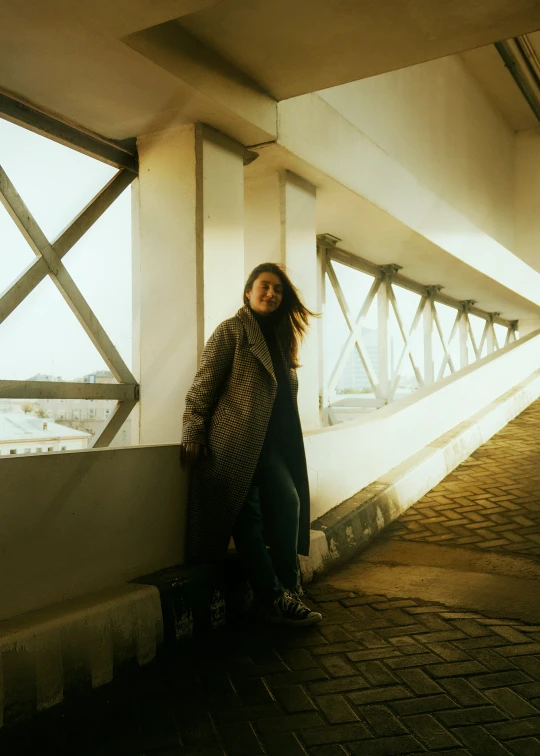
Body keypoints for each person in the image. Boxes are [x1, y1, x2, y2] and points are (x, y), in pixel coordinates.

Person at [180, 263, 322, 626]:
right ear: (248, 291)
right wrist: (193, 430)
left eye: (278, 289)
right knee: (248, 521)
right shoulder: (232, 331)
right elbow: (203, 385)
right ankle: (275, 599)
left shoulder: (280, 338)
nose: (271, 294)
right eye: (265, 286)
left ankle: (289, 589)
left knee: (289, 501)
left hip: (270, 446)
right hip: (233, 445)